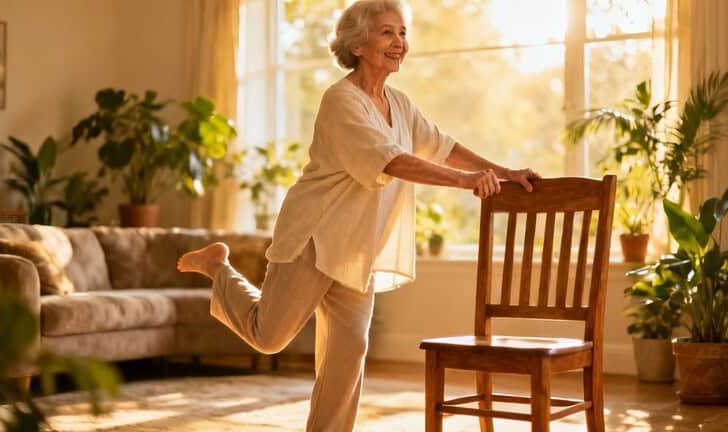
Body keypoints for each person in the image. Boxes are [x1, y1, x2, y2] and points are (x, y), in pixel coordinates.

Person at [177, 0, 541, 430]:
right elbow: (391, 161)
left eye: (402, 33)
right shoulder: (340, 100)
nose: (399, 42)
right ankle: (218, 266)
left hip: (357, 247)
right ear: (359, 44)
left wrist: (504, 172)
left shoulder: (400, 104)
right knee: (269, 336)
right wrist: (467, 183)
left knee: (346, 357)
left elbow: (443, 146)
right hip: (315, 235)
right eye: (387, 32)